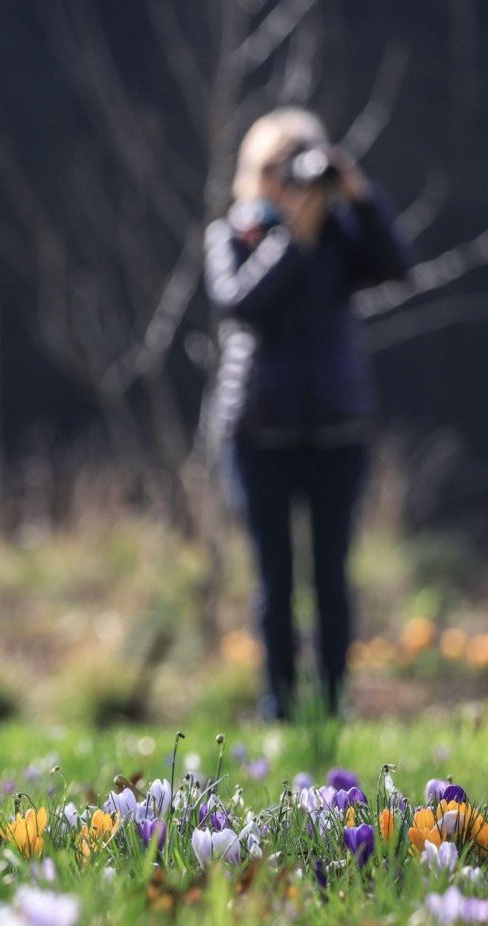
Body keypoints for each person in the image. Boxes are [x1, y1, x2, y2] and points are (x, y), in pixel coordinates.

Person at [203, 107, 413, 721]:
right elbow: (240, 304)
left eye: (301, 165)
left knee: (331, 576)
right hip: (259, 429)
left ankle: (335, 702)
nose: (289, 181)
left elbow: (398, 266)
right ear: (252, 173)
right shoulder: (235, 235)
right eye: (276, 167)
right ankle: (280, 705)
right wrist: (295, 239)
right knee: (274, 579)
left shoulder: (344, 234)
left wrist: (359, 196)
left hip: (336, 427)